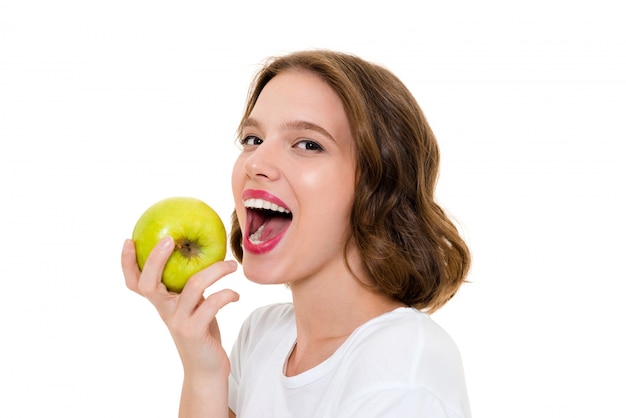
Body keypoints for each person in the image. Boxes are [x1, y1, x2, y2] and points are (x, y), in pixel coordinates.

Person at [122, 49, 472, 417]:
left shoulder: (401, 370)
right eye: (253, 139)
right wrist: (202, 370)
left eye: (308, 144)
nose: (254, 163)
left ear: (377, 189)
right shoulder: (264, 336)